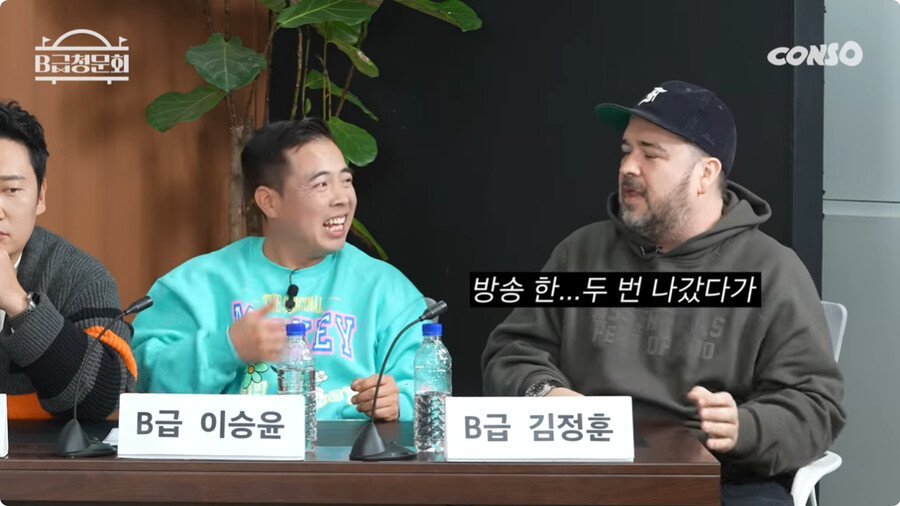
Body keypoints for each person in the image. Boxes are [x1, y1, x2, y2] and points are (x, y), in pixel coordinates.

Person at [481, 81, 845, 505]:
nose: (628, 167)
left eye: (650, 154)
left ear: (705, 174)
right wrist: (545, 392)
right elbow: (512, 352)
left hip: (719, 477)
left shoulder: (772, 271)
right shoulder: (581, 253)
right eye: (626, 150)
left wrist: (744, 426)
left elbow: (816, 406)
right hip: (589, 467)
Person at [132, 118, 426, 422]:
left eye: (346, 181)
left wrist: (398, 403)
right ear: (270, 202)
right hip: (234, 447)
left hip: (348, 450)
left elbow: (428, 395)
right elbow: (144, 381)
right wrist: (227, 348)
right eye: (322, 185)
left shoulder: (386, 289)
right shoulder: (195, 285)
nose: (342, 199)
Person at [0, 100, 135, 420]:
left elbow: (105, 398)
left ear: (40, 196)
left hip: (34, 451)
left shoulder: (80, 278)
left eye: (11, 190)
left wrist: (20, 305)